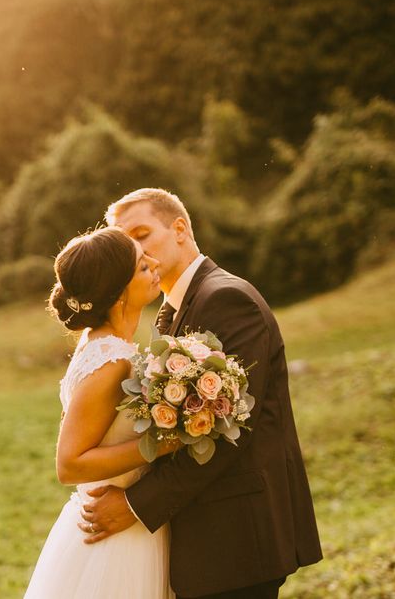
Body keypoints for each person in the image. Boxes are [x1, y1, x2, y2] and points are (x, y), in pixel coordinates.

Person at [79, 188, 322, 599]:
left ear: (179, 229)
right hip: (208, 537)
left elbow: (227, 431)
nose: (136, 252)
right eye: (125, 243)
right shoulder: (173, 309)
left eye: (141, 234)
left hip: (237, 538)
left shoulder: (225, 299)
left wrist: (136, 504)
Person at [24, 226, 179, 599]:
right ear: (118, 291)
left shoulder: (107, 347)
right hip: (116, 538)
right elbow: (70, 464)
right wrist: (162, 446)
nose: (156, 264)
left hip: (132, 524)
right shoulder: (110, 361)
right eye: (143, 267)